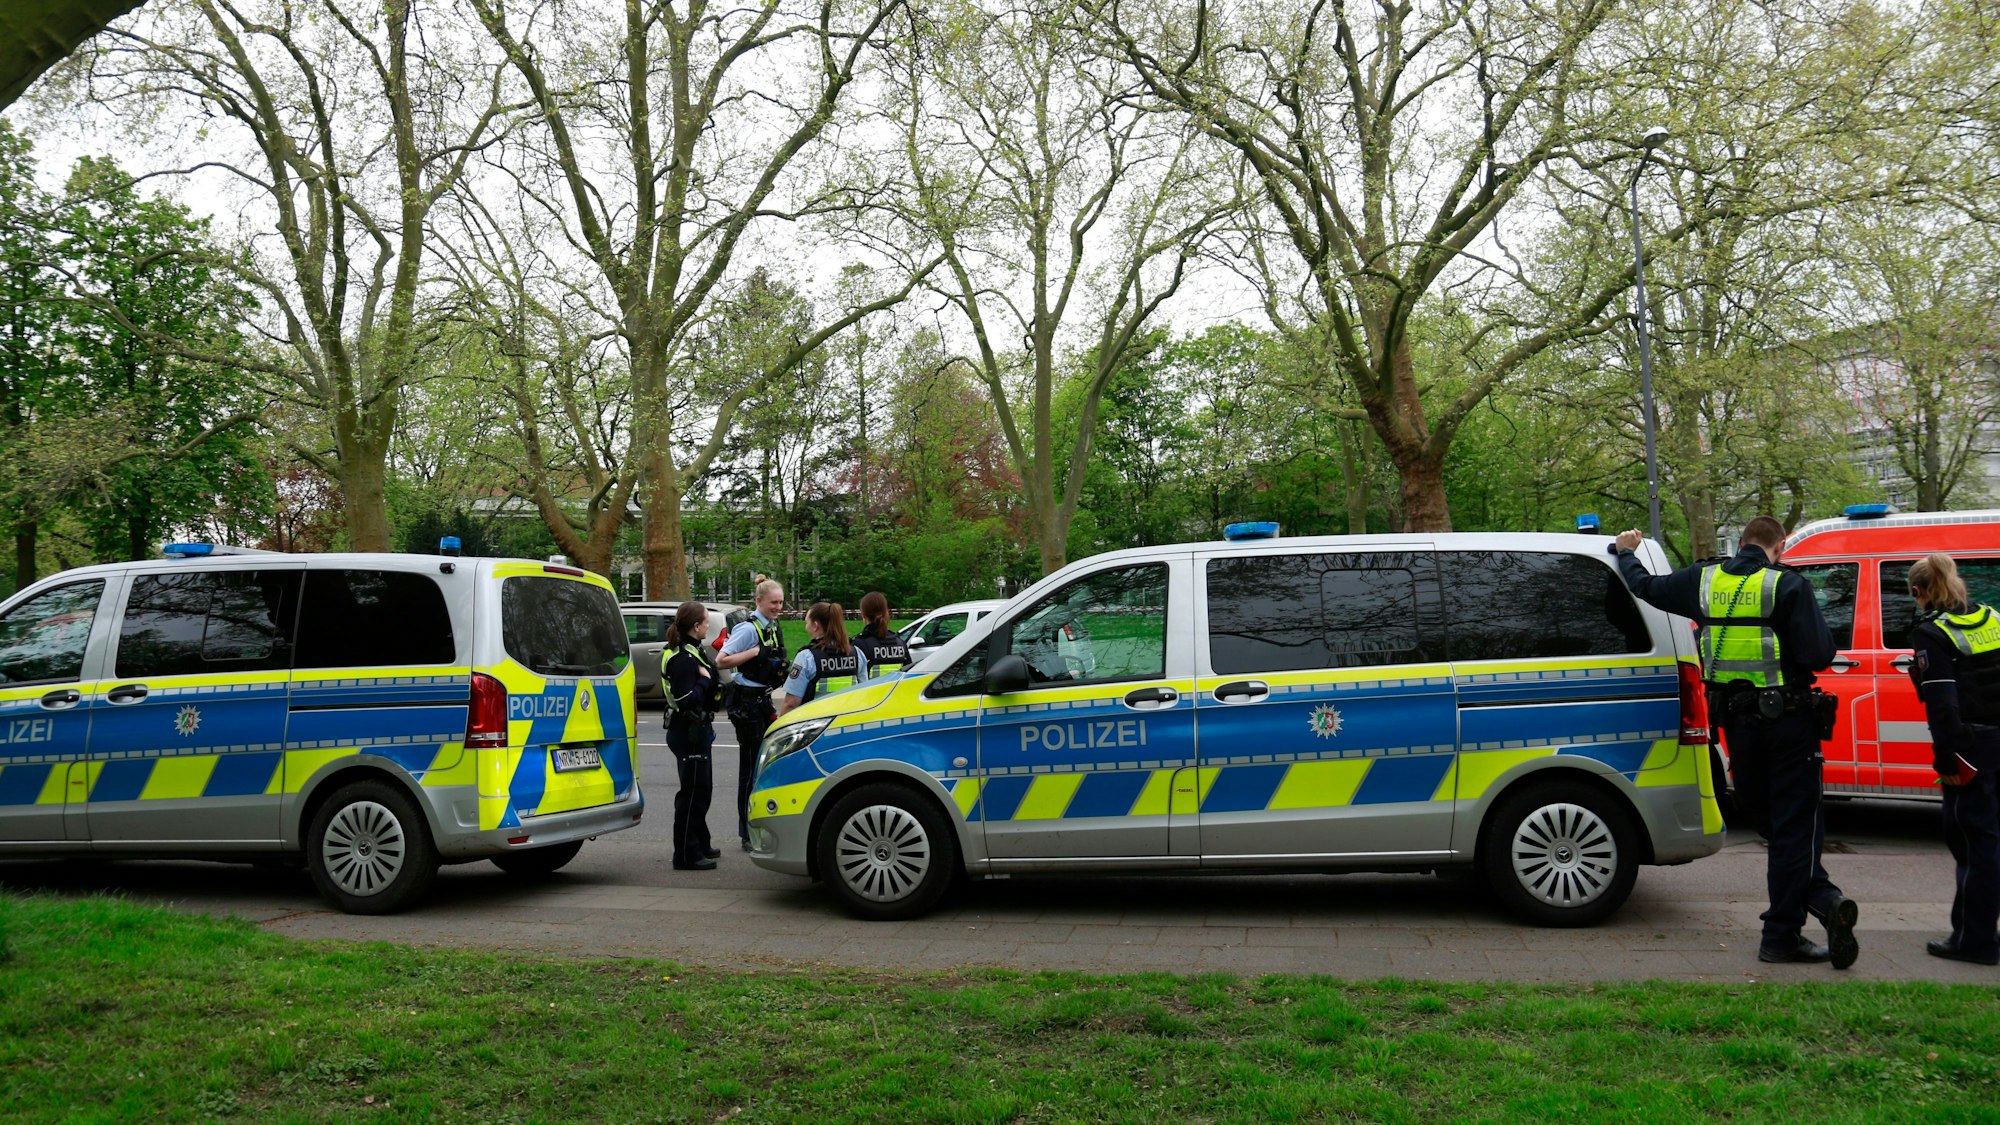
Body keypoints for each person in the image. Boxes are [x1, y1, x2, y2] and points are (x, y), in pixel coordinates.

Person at [1613, 516, 1860, 968]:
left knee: (1773, 823)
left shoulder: (1703, 579)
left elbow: (1646, 588)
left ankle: (1822, 901)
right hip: (1787, 723)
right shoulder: (1786, 586)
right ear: (1779, 547)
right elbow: (1820, 655)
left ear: (1741, 542)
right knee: (1795, 828)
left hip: (1737, 726)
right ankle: (1787, 930)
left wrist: (1625, 552)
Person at [1905, 553, 2000, 966]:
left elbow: (1943, 705)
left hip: (1971, 748)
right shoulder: (1993, 617)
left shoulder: (1933, 633)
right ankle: (1976, 932)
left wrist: (1948, 761)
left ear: (1918, 592)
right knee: (1990, 843)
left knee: (1973, 844)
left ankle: (1974, 941)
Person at [717, 578, 788, 849]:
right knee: (749, 769)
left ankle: (758, 826)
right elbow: (722, 660)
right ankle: (746, 831)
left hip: (762, 701)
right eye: (773, 602)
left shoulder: (772, 626)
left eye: (781, 602)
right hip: (746, 704)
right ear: (759, 601)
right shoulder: (748, 629)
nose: (778, 607)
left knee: (762, 767)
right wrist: (753, 652)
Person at [661, 601, 723, 871]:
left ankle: (700, 841)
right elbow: (685, 699)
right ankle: (686, 854)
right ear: (696, 626)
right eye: (706, 621)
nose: (709, 625)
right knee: (693, 794)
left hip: (696, 730)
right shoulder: (682, 659)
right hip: (687, 731)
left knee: (702, 790)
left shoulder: (692, 651)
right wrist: (704, 680)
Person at [780, 602, 869, 716]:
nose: (806, 627)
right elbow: (864, 693)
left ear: (815, 626)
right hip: (848, 725)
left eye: (807, 622)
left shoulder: (807, 658)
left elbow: (791, 703)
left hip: (816, 727)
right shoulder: (857, 654)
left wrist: (777, 729)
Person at [850, 591, 910, 679]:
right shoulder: (900, 643)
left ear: (863, 614)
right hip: (897, 692)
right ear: (886, 612)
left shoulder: (859, 644)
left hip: (871, 692)